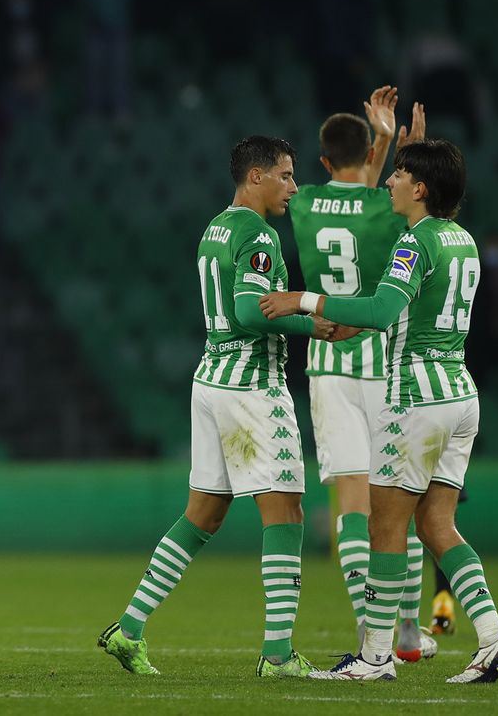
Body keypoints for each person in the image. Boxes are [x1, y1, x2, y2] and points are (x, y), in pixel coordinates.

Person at [262, 138, 498, 683]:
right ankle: (494, 637)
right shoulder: (462, 240)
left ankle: (375, 657)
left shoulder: (415, 244)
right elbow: (399, 308)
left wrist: (302, 299)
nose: (390, 182)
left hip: (417, 399)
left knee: (385, 526)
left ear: (420, 189)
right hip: (460, 395)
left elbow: (381, 309)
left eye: (400, 174)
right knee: (437, 523)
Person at [99, 136, 350, 679]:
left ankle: (129, 628)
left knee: (203, 513)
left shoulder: (216, 227)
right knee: (285, 510)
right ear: (255, 176)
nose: (293, 186)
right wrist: (314, 323)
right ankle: (278, 656)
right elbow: (247, 312)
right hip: (252, 388)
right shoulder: (258, 236)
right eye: (284, 175)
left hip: (212, 381)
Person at [288, 88, 436, 661]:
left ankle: (367, 631)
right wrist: (401, 141)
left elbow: (349, 190)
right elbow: (380, 191)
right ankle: (405, 628)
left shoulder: (301, 205)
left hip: (328, 367)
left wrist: (380, 141)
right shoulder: (384, 207)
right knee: (395, 501)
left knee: (350, 500)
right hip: (386, 363)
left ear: (323, 162)